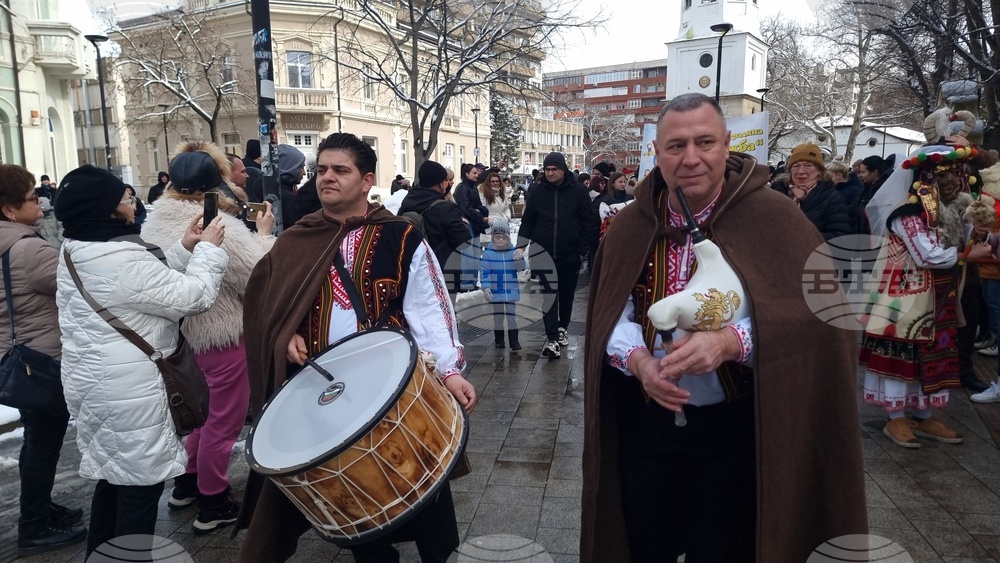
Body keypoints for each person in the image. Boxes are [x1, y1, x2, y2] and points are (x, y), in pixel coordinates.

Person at [582, 93, 867, 562]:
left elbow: (818, 321)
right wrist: (638, 363)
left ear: (728, 144)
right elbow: (609, 318)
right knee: (642, 539)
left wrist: (730, 343)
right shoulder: (631, 224)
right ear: (657, 151)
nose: (690, 158)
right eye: (675, 146)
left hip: (739, 426)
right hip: (646, 421)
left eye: (704, 142)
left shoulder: (775, 219)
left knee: (726, 545)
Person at [234, 132, 476, 563]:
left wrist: (452, 371)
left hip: (394, 389)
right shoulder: (297, 239)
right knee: (359, 508)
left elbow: (429, 307)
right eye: (322, 169)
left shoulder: (401, 237)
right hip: (327, 395)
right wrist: (283, 331)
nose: (327, 177)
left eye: (340, 170)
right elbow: (265, 304)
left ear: (366, 181)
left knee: (424, 488)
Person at [54, 164, 228, 558]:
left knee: (114, 480)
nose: (133, 204)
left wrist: (183, 249)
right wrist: (209, 251)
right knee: (140, 492)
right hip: (131, 396)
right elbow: (193, 297)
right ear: (108, 210)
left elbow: (142, 285)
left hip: (100, 388)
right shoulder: (119, 258)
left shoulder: (78, 248)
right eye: (126, 198)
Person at [141, 141, 275, 535]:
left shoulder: (154, 221)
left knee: (197, 416)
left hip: (182, 339)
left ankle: (187, 483)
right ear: (216, 183)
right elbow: (258, 277)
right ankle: (213, 501)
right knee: (222, 420)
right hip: (223, 337)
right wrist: (264, 235)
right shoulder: (219, 226)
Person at [861, 139, 991, 447]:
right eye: (944, 175)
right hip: (906, 299)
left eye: (957, 174)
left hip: (939, 297)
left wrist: (980, 233)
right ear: (927, 178)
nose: (953, 181)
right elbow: (927, 255)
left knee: (935, 354)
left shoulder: (956, 211)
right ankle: (896, 420)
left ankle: (923, 414)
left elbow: (963, 241)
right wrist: (965, 256)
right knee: (903, 356)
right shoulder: (907, 214)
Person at [0, 164, 87, 557]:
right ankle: (34, 524)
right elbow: (76, 281)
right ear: (9, 210)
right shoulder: (27, 248)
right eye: (32, 198)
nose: (40, 202)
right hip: (42, 360)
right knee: (43, 442)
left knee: (38, 438)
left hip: (17, 355)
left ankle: (41, 507)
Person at [516, 152, 594, 359]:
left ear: (563, 170)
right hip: (543, 253)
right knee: (549, 295)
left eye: (554, 169)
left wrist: (581, 250)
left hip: (570, 253)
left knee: (567, 295)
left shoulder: (578, 191)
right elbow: (528, 221)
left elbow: (588, 221)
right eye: (547, 169)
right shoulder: (538, 192)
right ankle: (552, 339)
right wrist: (521, 246)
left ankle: (562, 328)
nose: (550, 173)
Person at [770, 143, 850, 241]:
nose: (801, 171)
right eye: (796, 166)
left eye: (808, 165)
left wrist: (800, 236)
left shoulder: (832, 198)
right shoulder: (776, 193)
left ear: (819, 171)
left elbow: (840, 239)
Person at [398, 159, 469, 268]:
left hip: (413, 267)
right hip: (442, 269)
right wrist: (464, 225)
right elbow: (462, 242)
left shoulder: (407, 201)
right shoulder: (447, 208)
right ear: (441, 184)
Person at [480, 220, 524, 350]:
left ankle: (514, 341)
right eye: (497, 237)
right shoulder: (488, 254)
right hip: (496, 291)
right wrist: (486, 287)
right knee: (498, 316)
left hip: (510, 291)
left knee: (511, 316)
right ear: (492, 237)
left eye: (503, 237)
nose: (500, 240)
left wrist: (520, 259)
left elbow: (521, 268)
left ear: (508, 237)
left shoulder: (513, 252)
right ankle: (499, 339)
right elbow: (485, 273)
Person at [453, 163, 489, 291]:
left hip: (475, 224)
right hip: (467, 225)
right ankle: (466, 283)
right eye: (474, 173)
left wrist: (481, 211)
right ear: (466, 174)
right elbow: (466, 208)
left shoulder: (472, 188)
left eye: (476, 172)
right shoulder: (463, 188)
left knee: (475, 254)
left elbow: (478, 205)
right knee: (468, 254)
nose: (476, 175)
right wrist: (481, 217)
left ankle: (472, 282)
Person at [477, 171, 511, 245]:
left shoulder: (503, 193)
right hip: (489, 228)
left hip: (502, 226)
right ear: (488, 182)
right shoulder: (483, 193)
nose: (495, 183)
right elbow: (483, 209)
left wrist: (506, 218)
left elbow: (506, 208)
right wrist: (492, 221)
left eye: (497, 181)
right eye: (493, 181)